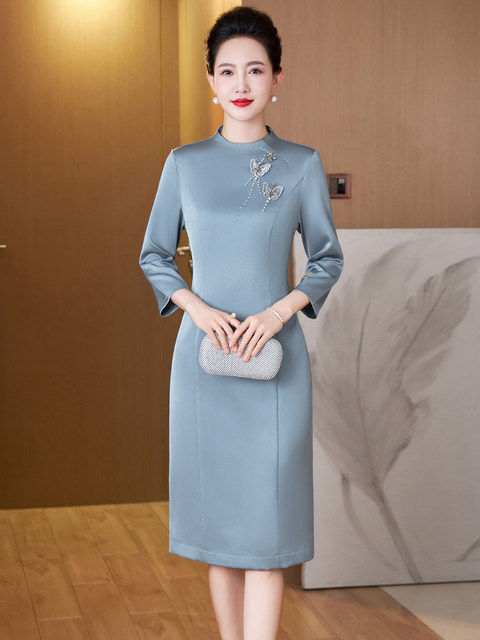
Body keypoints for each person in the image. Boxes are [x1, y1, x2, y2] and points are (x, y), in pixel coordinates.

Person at [139, 6, 343, 640]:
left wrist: (280, 311)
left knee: (267, 536)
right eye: (227, 71)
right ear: (211, 81)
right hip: (203, 366)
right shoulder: (184, 163)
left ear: (278, 77)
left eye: (255, 69)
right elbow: (154, 255)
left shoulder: (301, 164)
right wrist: (197, 308)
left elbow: (327, 259)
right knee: (222, 534)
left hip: (277, 366)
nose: (242, 83)